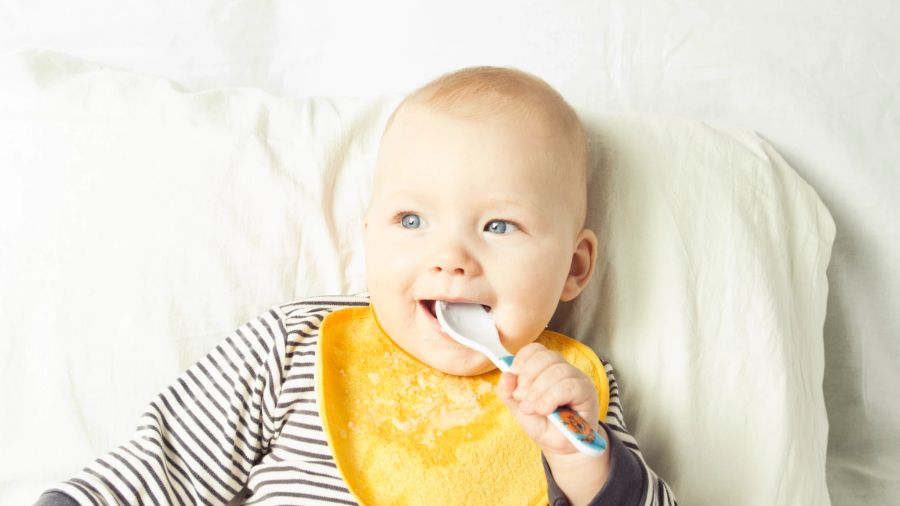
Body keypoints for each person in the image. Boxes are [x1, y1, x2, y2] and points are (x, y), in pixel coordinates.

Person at [36, 67, 676, 505]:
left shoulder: (568, 393)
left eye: (499, 224)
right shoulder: (295, 348)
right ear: (368, 235)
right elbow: (161, 469)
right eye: (412, 220)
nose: (450, 257)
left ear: (573, 267)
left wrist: (584, 461)